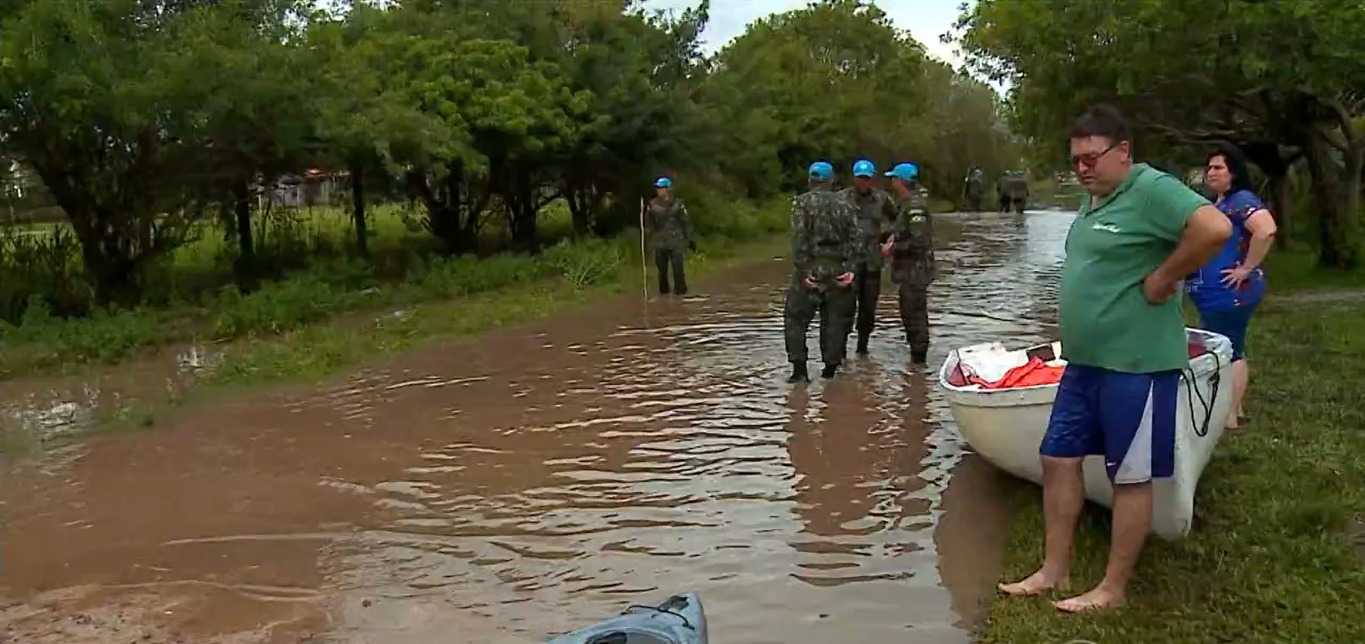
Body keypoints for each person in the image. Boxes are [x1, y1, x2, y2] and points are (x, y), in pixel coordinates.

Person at [998, 104, 1231, 612]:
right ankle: (1053, 572)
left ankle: (1113, 589)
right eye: (1075, 160)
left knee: (1131, 475)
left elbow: (1214, 228)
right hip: (1085, 363)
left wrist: (1167, 277)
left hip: (1137, 365)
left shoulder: (1150, 188)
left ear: (1123, 151)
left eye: (1091, 158)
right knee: (1056, 458)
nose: (1081, 169)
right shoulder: (1094, 197)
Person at [1187, 142, 1276, 429]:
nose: (1210, 172)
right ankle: (1232, 409)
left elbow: (1266, 229)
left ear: (1233, 172)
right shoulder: (1222, 204)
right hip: (1214, 295)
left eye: (1218, 167)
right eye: (1209, 167)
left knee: (1230, 351)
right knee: (1229, 347)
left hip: (1230, 294)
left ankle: (1229, 416)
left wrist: (1246, 268)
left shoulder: (1241, 200)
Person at [784, 161, 862, 382]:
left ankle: (799, 371)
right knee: (835, 321)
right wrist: (852, 270)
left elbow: (799, 238)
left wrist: (803, 271)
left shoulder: (802, 203)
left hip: (811, 271)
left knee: (795, 319)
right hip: (838, 270)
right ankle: (830, 370)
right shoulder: (846, 204)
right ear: (832, 180)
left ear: (810, 180)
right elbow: (857, 239)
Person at [838, 159, 899, 355]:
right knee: (844, 307)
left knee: (869, 307)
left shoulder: (882, 199)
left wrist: (890, 239)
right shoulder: (841, 199)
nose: (863, 182)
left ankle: (862, 348)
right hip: (847, 262)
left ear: (872, 179)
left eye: (867, 178)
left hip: (872, 261)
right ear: (854, 178)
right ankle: (840, 350)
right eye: (860, 178)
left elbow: (900, 220)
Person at [881, 162, 936, 364]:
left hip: (916, 270)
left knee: (915, 315)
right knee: (909, 312)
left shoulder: (914, 206)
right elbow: (905, 231)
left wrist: (892, 248)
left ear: (901, 181)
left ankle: (919, 363)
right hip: (909, 270)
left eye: (894, 178)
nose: (892, 183)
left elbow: (919, 241)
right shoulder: (907, 203)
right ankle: (917, 361)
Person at [644, 176, 695, 296]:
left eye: (661, 188)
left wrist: (690, 239)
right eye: (657, 188)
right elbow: (648, 225)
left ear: (668, 189)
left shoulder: (678, 204)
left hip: (676, 240)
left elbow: (685, 223)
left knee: (678, 270)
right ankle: (664, 295)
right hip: (660, 242)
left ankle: (680, 295)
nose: (659, 190)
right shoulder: (652, 206)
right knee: (662, 272)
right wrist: (648, 238)